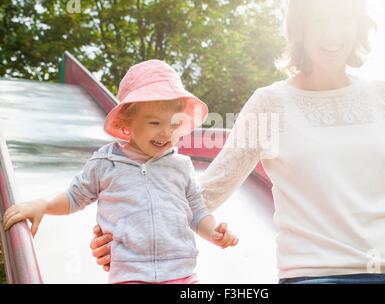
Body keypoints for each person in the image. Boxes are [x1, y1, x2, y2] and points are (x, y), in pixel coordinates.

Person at [91, 0, 385, 284]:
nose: (332, 33)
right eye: (319, 20)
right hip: (320, 276)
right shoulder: (271, 103)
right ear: (299, 28)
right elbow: (203, 195)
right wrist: (127, 237)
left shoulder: (382, 95)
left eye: (343, 19)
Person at [3, 59, 238, 284]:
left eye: (175, 124)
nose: (167, 133)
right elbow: (75, 196)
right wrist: (42, 204)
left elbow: (197, 212)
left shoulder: (181, 166)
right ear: (127, 122)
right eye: (155, 123)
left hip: (182, 272)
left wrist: (214, 232)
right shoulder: (106, 163)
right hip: (129, 274)